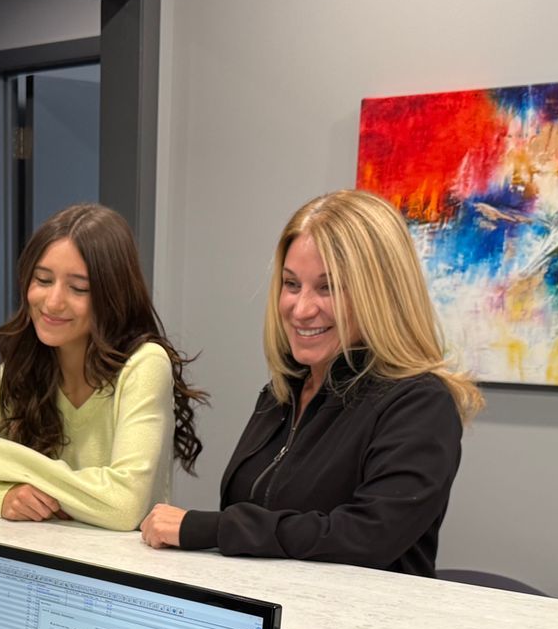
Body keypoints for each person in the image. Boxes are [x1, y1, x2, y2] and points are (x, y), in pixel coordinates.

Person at [139, 191, 483, 574]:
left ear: (380, 294)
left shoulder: (420, 402)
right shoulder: (281, 394)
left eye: (328, 287)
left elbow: (367, 536)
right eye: (291, 284)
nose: (301, 309)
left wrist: (213, 528)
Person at [0, 203, 205, 530]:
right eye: (43, 280)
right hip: (40, 565)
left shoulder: (144, 364)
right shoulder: (23, 365)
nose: (53, 302)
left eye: (78, 288)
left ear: (112, 295)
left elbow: (124, 506)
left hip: (121, 573)